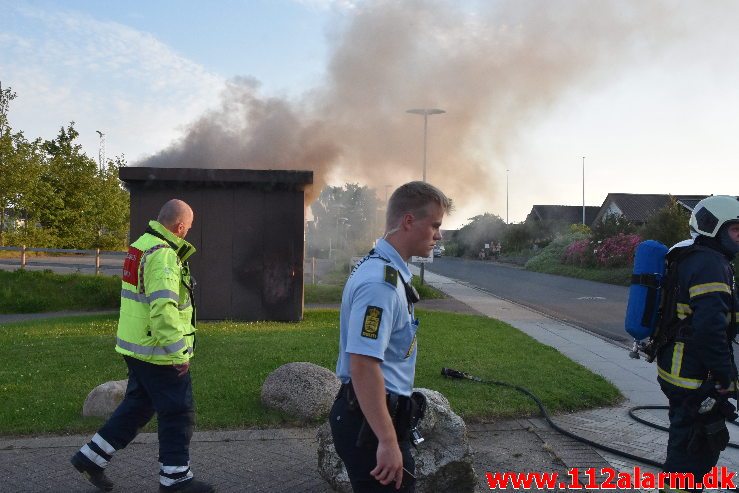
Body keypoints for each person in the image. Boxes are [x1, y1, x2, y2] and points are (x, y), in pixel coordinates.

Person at [71, 199, 214, 493]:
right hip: (159, 352)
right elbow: (163, 308)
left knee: (137, 407)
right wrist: (178, 352)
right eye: (188, 227)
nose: (187, 232)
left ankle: (90, 458)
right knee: (178, 411)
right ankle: (175, 480)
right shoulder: (162, 255)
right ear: (180, 226)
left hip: (137, 348)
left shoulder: (141, 245)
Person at [330, 181, 452, 492]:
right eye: (435, 225)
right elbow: (363, 364)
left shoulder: (385, 270)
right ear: (409, 221)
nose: (439, 236)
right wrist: (386, 440)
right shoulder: (380, 284)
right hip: (369, 427)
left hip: (371, 416)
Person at [656, 195, 739, 492]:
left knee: (685, 441)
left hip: (678, 368)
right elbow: (710, 329)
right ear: (712, 228)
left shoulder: (693, 256)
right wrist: (725, 376)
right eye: (736, 230)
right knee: (695, 451)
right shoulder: (710, 264)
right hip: (693, 374)